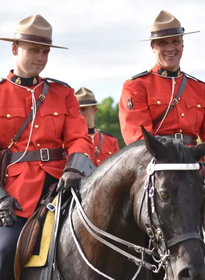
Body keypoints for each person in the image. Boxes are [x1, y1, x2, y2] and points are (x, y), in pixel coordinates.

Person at [0, 14, 95, 279]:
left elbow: (79, 137)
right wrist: (0, 198)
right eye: (33, 50)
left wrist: (75, 168)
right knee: (5, 250)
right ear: (15, 48)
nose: (41, 57)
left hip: (62, 185)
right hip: (16, 196)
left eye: (45, 51)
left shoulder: (62, 93)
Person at [119, 10, 205, 174]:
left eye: (175, 42)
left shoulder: (200, 89)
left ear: (182, 44)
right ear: (153, 46)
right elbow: (139, 138)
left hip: (194, 165)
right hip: (157, 167)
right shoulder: (136, 86)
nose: (170, 48)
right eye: (163, 43)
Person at [75, 87, 119, 166]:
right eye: (76, 110)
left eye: (83, 109)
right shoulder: (66, 142)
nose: (79, 113)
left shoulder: (110, 141)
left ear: (94, 110)